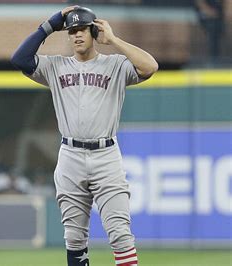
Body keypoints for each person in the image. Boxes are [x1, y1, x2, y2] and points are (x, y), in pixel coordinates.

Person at [11, 6, 158, 266]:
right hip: (70, 156)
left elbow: (150, 66)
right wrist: (51, 24)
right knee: (74, 239)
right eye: (71, 31)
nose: (76, 35)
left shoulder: (115, 65)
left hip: (106, 155)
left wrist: (113, 40)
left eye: (81, 30)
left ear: (93, 31)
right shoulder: (56, 66)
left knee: (121, 235)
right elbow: (20, 59)